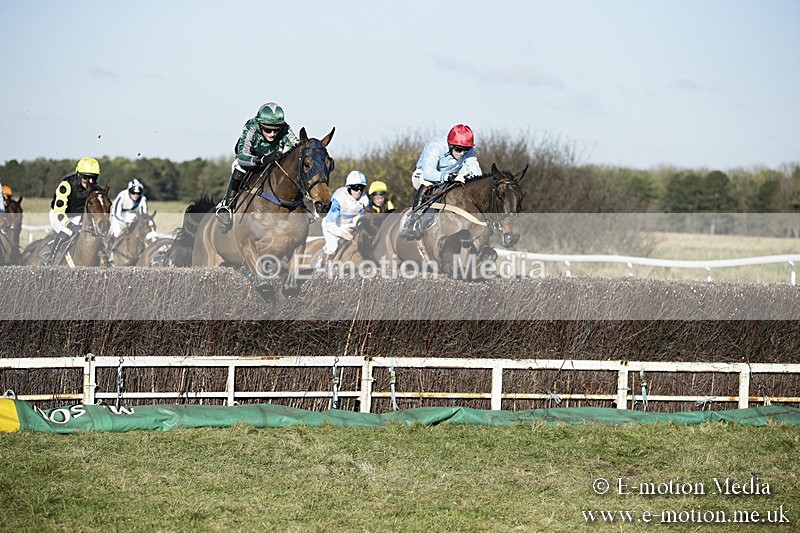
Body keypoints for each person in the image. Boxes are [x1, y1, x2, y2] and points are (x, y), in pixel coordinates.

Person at [216, 102, 300, 226]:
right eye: (268, 130)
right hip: (251, 160)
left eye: (276, 130)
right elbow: (242, 156)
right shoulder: (251, 127)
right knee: (239, 168)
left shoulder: (285, 128)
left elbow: (296, 147)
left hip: (274, 161)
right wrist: (261, 160)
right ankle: (228, 206)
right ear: (260, 125)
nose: (272, 134)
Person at [398, 124, 482, 239]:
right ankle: (413, 220)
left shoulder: (469, 150)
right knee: (427, 182)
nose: (462, 153)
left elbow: (477, 174)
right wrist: (448, 177)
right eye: (458, 149)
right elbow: (428, 173)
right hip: (425, 175)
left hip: (452, 177)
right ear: (450, 145)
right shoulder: (435, 145)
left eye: (466, 150)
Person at [45, 157, 102, 263]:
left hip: (77, 216)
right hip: (58, 215)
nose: (90, 181)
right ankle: (51, 260)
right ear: (79, 175)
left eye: (93, 178)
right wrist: (70, 225)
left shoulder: (96, 189)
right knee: (67, 231)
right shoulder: (66, 185)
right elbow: (59, 212)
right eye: (86, 177)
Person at [320, 170, 369, 266]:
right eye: (355, 188)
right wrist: (343, 233)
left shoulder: (365, 200)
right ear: (349, 187)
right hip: (332, 225)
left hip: (350, 225)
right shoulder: (339, 197)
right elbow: (330, 223)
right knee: (332, 246)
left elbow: (361, 218)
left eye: (361, 187)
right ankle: (323, 268)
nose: (359, 191)